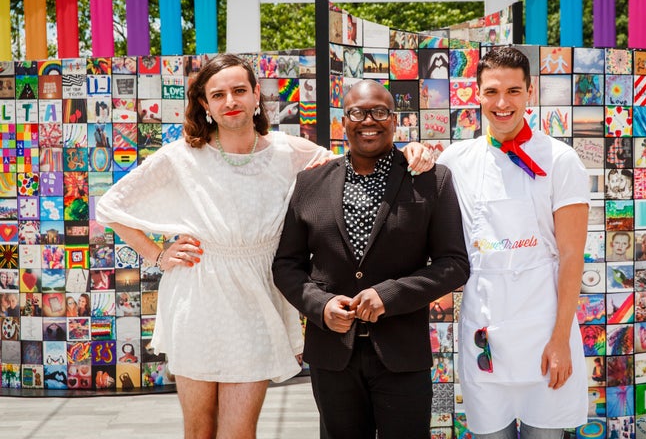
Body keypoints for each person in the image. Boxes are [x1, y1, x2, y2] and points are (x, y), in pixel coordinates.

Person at [94, 54, 433, 439]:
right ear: (204, 104)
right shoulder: (181, 156)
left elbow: (356, 161)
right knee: (199, 430)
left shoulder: (290, 151)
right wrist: (158, 254)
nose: (230, 101)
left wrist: (408, 150)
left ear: (257, 95)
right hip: (198, 296)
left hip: (257, 297)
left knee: (239, 431)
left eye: (239, 90)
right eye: (217, 94)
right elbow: (111, 206)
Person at [272, 79, 469, 439]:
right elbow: (286, 266)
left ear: (394, 120)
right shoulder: (308, 184)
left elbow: (454, 264)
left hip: (402, 354)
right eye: (358, 112)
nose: (369, 120)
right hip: (333, 356)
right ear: (342, 122)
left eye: (380, 112)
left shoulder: (430, 180)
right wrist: (321, 304)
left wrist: (389, 295)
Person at [437, 47, 589, 438]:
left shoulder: (560, 160)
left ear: (530, 92)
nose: (502, 103)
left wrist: (560, 340)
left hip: (544, 333)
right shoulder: (456, 159)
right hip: (484, 333)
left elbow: (572, 256)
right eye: (491, 92)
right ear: (476, 94)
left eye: (513, 91)